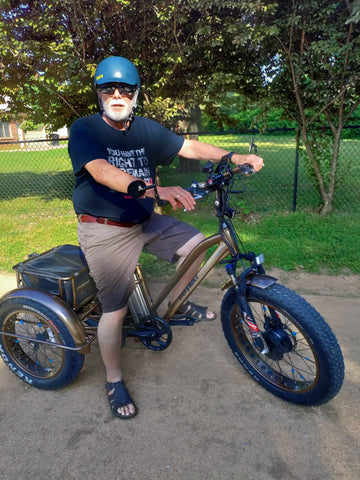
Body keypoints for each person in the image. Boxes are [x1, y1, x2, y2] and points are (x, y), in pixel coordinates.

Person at [68, 56, 264, 420]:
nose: (116, 94)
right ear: (98, 94)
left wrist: (233, 156)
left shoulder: (145, 129)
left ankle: (179, 301)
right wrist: (149, 188)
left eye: (124, 88)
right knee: (115, 309)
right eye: (107, 88)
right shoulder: (85, 129)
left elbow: (188, 147)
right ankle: (113, 379)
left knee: (197, 247)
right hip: (105, 229)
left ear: (135, 94)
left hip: (145, 220)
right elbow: (101, 171)